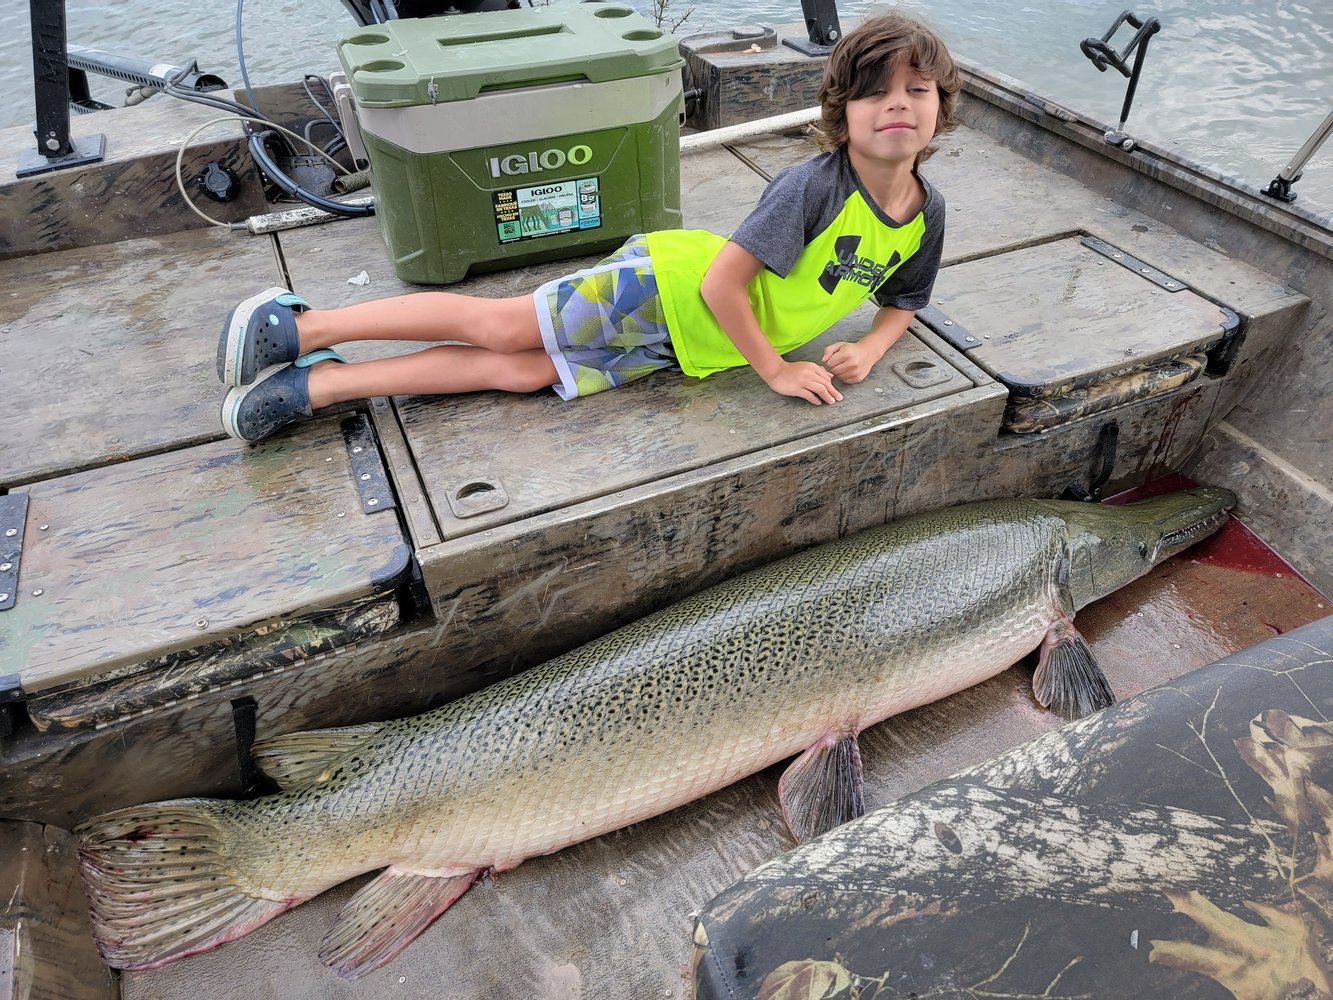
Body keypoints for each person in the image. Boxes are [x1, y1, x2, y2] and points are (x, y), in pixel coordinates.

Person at [218, 12, 960, 443]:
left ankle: (319, 391)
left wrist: (869, 344)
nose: (895, 105)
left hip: (691, 347)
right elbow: (721, 282)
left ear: (941, 107)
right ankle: (304, 329)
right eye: (873, 94)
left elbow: (904, 299)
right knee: (505, 328)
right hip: (665, 292)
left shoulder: (925, 212)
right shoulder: (813, 186)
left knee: (524, 371)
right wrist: (774, 368)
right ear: (841, 112)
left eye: (915, 91)